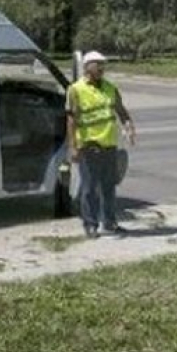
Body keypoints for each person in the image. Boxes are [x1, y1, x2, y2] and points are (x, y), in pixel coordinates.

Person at [67, 51, 136, 238]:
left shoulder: (110, 88)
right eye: (98, 64)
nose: (101, 68)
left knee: (108, 187)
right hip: (88, 146)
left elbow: (121, 111)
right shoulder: (76, 90)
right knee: (89, 188)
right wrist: (73, 146)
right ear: (87, 67)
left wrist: (129, 127)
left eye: (103, 65)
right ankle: (90, 224)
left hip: (109, 146)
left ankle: (110, 222)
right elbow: (71, 120)